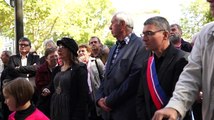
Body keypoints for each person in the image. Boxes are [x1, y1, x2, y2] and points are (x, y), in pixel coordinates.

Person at [152, 0, 214, 120]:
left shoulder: (184, 53)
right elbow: (191, 75)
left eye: (149, 33)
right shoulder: (206, 33)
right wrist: (175, 106)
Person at [96, 12, 147, 120]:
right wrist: (99, 99)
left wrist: (109, 101)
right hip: (108, 113)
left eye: (112, 23)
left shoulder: (140, 46)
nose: (110, 27)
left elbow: (133, 80)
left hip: (125, 113)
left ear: (122, 24)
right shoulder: (114, 47)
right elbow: (106, 76)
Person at [136, 16, 188, 120]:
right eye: (143, 34)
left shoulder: (183, 59)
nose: (144, 38)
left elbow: (182, 97)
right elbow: (141, 97)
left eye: (149, 33)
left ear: (165, 35)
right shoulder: (147, 64)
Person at [42, 37, 89, 120]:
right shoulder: (57, 69)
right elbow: (53, 86)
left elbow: (83, 96)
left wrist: (77, 116)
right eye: (59, 47)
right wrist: (47, 89)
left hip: (71, 110)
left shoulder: (79, 69)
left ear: (70, 50)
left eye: (63, 47)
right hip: (56, 109)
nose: (59, 50)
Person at [78, 44, 105, 120]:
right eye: (79, 51)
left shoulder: (96, 61)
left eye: (83, 51)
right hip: (85, 98)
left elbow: (105, 77)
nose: (80, 53)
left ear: (89, 52)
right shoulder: (77, 66)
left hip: (97, 96)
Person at [35, 47, 58, 117]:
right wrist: (44, 89)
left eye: (56, 56)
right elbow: (39, 83)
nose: (54, 58)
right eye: (51, 57)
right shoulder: (41, 69)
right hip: (46, 100)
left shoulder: (62, 67)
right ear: (46, 59)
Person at [0, 50, 12, 120]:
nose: (0, 57)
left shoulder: (11, 67)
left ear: (7, 56)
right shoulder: (2, 66)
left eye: (2, 55)